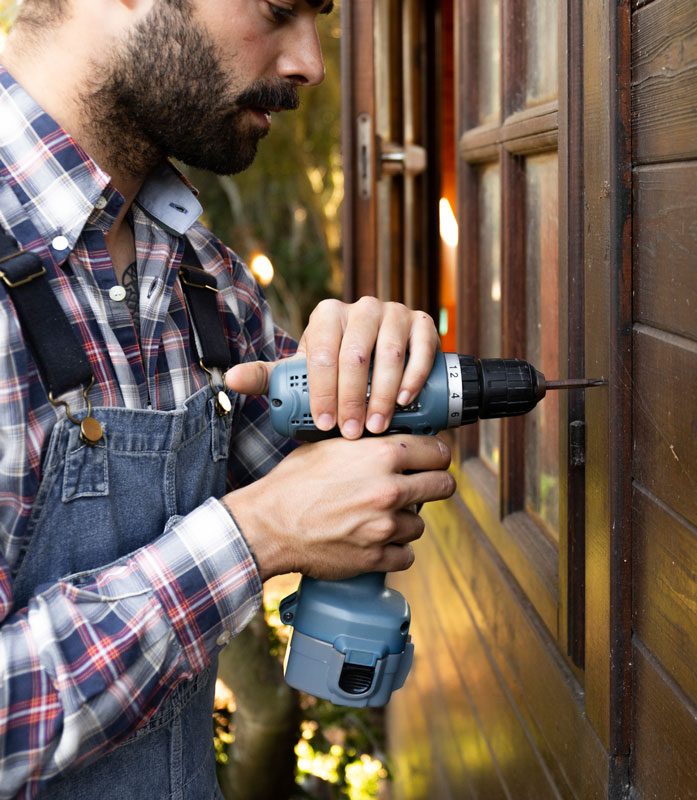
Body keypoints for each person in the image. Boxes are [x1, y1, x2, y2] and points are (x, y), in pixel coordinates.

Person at [0, 0, 455, 796]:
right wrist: (251, 542)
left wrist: (366, 368)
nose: (311, 63)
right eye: (279, 9)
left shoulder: (202, 276)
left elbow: (326, 481)